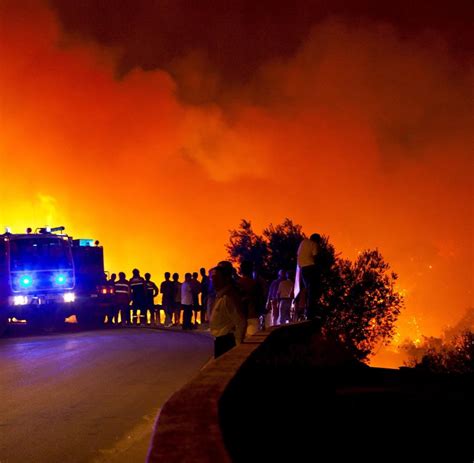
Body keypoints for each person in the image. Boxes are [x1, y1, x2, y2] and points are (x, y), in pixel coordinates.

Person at [210, 265, 247, 358]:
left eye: (217, 278)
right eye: (212, 278)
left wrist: (237, 348)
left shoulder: (228, 297)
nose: (213, 281)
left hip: (226, 341)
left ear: (226, 279)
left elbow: (240, 321)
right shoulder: (220, 296)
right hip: (220, 340)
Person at [297, 233, 322, 321]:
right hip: (311, 268)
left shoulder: (303, 242)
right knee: (313, 291)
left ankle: (304, 311)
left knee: (307, 289)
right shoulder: (314, 244)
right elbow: (316, 257)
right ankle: (311, 313)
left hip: (302, 269)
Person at [237, 261, 262, 337]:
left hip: (241, 318)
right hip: (253, 316)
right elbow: (260, 301)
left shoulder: (237, 284)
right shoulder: (256, 284)